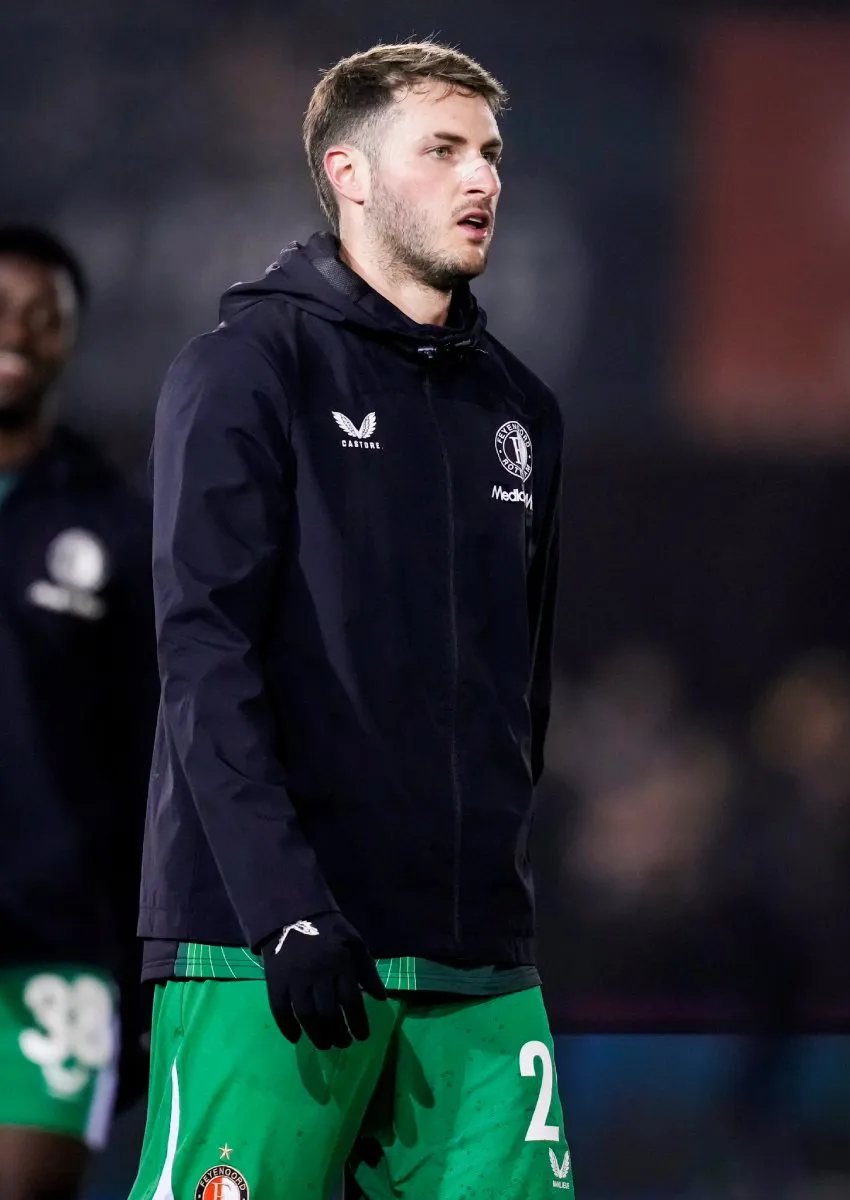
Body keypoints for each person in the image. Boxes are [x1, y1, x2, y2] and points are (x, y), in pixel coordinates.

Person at [130, 39, 570, 1200]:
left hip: (475, 963)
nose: (483, 179)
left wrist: (503, 892)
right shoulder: (244, 368)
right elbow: (202, 656)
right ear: (350, 173)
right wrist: (282, 913)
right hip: (266, 945)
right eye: (444, 150)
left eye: (490, 153)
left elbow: (521, 683)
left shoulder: (520, 410)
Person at [0, 225, 156, 1200]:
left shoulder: (115, 522)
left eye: (40, 315)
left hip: (56, 944)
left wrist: (147, 961)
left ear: (70, 336)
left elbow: (152, 742)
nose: (16, 332)